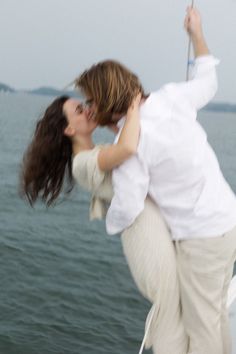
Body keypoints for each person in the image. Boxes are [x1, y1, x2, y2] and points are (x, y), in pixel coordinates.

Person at [75, 6, 236, 354]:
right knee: (215, 316)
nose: (87, 108)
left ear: (104, 101)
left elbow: (130, 204)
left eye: (90, 100)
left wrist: (111, 221)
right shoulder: (171, 97)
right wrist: (196, 32)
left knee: (202, 326)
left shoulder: (130, 146)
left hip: (201, 238)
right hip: (227, 220)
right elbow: (208, 80)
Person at [20, 94, 188, 353]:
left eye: (85, 106)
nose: (87, 110)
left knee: (179, 309)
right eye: (79, 109)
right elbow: (128, 148)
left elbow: (130, 147)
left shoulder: (96, 152)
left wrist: (117, 120)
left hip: (154, 230)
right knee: (171, 310)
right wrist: (132, 106)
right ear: (69, 128)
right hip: (146, 239)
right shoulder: (83, 164)